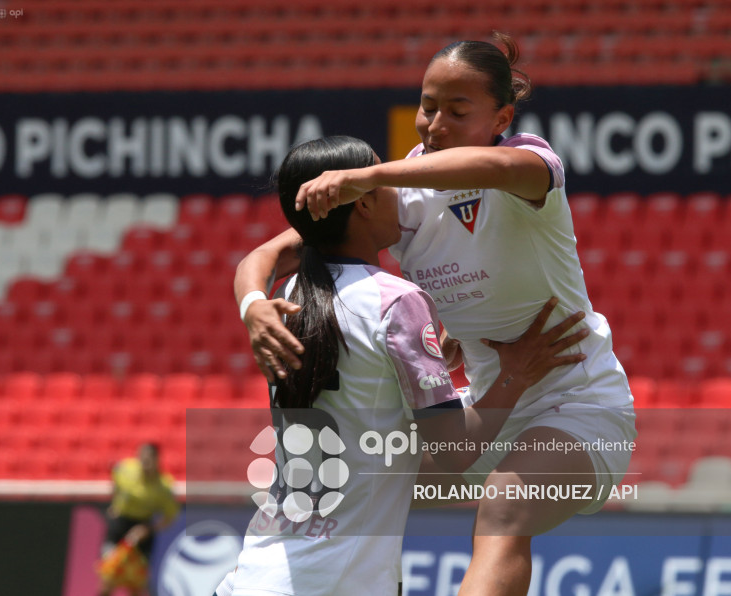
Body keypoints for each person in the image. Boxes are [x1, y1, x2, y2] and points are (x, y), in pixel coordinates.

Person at [235, 33, 637, 596]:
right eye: (428, 106)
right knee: (356, 471)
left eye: (457, 110)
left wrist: (373, 176)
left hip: (576, 403)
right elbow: (274, 252)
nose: (434, 123)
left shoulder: (530, 166)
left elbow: (493, 168)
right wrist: (254, 303)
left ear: (501, 115)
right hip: (485, 412)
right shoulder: (404, 190)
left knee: (502, 510)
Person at [218, 136, 588, 596]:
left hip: (255, 574)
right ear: (366, 202)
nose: (400, 189)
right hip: (340, 582)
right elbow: (455, 452)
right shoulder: (396, 301)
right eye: (383, 177)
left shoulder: (290, 295)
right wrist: (516, 373)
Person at [98, 442, 180, 596]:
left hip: (143, 530)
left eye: (149, 460)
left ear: (157, 460)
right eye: (142, 458)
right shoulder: (125, 470)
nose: (145, 463)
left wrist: (149, 529)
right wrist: (115, 504)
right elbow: (115, 483)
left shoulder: (164, 486)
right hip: (119, 527)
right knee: (107, 579)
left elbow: (170, 517)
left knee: (137, 586)